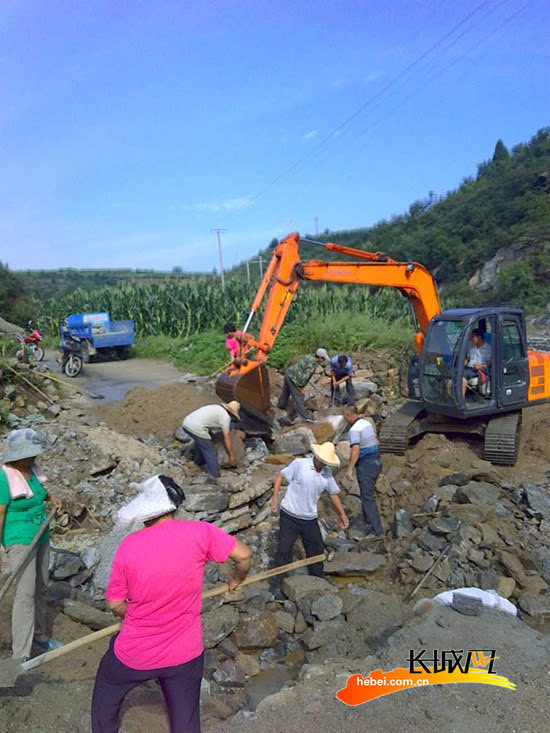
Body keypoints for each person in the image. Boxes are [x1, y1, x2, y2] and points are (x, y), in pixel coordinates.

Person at [91, 474, 251, 733]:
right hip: (184, 654)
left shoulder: (129, 545)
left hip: (136, 653)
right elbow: (244, 555)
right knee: (185, 719)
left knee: (106, 689)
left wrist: (132, 613)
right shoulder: (200, 531)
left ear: (145, 511)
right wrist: (235, 580)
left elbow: (114, 603)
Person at [0, 428, 64, 660]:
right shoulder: (3, 476)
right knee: (25, 595)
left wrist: (51, 497)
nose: (35, 457)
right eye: (30, 454)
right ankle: (21, 655)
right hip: (20, 539)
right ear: (17, 455)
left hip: (41, 535)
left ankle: (39, 636)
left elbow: (37, 491)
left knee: (40, 588)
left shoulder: (32, 470)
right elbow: (0, 513)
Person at [269, 442, 349, 597]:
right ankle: (276, 584)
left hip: (309, 518)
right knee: (284, 550)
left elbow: (333, 494)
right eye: (322, 460)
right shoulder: (300, 464)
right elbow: (281, 475)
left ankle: (317, 580)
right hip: (290, 515)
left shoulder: (327, 474)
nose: (323, 463)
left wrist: (342, 514)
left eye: (326, 462)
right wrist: (274, 498)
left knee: (316, 550)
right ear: (316, 456)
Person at [342, 404, 384, 540]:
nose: (344, 419)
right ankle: (367, 519)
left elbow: (355, 450)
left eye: (344, 416)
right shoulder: (366, 423)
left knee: (367, 497)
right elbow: (376, 441)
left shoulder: (354, 430)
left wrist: (349, 469)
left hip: (366, 465)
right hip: (377, 461)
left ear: (349, 415)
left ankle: (376, 530)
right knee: (368, 493)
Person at [182, 401, 241, 479]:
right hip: (195, 427)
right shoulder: (225, 417)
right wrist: (232, 455)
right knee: (210, 451)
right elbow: (226, 437)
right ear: (232, 414)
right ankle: (215, 476)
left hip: (186, 423)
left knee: (201, 441)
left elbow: (206, 421)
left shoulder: (216, 408)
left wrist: (212, 437)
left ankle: (198, 461)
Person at [277, 349, 329, 420]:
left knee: (286, 392)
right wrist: (301, 387)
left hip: (288, 373)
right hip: (294, 379)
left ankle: (281, 405)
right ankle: (305, 417)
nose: (323, 361)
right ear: (320, 357)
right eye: (323, 359)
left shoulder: (308, 356)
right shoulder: (313, 364)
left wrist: (302, 386)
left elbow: (297, 364)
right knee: (298, 398)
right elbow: (305, 377)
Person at [462, 328, 492, 398]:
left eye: (473, 337)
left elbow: (489, 363)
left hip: (478, 370)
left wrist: (480, 366)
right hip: (468, 368)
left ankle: (461, 401)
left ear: (479, 337)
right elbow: (468, 359)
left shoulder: (488, 348)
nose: (471, 339)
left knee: (461, 377)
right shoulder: (472, 347)